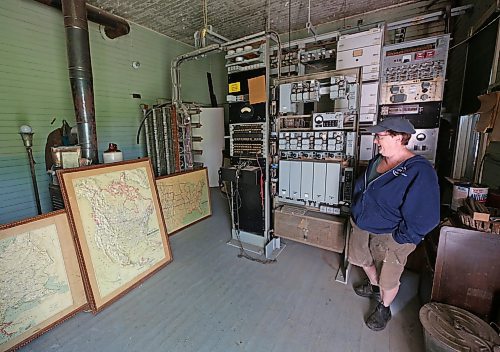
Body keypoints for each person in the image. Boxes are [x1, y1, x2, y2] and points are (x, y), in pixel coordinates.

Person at [348, 117, 440, 331]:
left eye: (380, 136)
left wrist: (402, 238)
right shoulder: (377, 161)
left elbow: (427, 217)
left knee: (389, 279)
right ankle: (374, 285)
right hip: (362, 224)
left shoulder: (419, 171)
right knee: (361, 258)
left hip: (392, 234)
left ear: (398, 137)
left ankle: (384, 306)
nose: (376, 141)